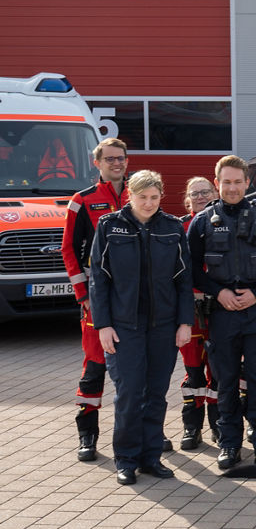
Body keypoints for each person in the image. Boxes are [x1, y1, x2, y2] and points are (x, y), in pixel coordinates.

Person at [89, 170, 194, 485]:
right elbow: (99, 279)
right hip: (124, 327)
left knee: (157, 394)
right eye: (142, 197)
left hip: (163, 326)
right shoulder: (109, 226)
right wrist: (103, 325)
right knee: (131, 393)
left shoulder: (173, 228)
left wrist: (185, 322)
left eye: (154, 197)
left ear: (161, 196)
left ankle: (151, 458)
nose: (148, 203)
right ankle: (126, 459)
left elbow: (184, 280)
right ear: (129, 196)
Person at [188, 154, 256, 470]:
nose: (232, 187)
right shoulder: (202, 221)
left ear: (249, 182)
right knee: (226, 382)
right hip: (222, 314)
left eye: (237, 181)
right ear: (217, 184)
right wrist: (219, 293)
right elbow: (191, 268)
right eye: (226, 182)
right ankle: (229, 444)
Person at [60, 137, 129, 462]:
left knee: (137, 370)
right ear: (97, 162)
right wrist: (83, 295)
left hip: (133, 300)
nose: (116, 163)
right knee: (95, 366)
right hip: (97, 300)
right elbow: (69, 250)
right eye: (110, 159)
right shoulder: (81, 200)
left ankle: (145, 433)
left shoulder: (139, 193)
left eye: (121, 158)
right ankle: (87, 436)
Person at [178, 176, 220, 450]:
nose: (201, 196)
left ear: (215, 192)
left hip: (219, 309)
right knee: (193, 373)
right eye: (195, 193)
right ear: (187, 199)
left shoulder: (223, 221)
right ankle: (192, 428)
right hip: (190, 310)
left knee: (219, 372)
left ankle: (219, 426)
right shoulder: (177, 227)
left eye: (205, 191)